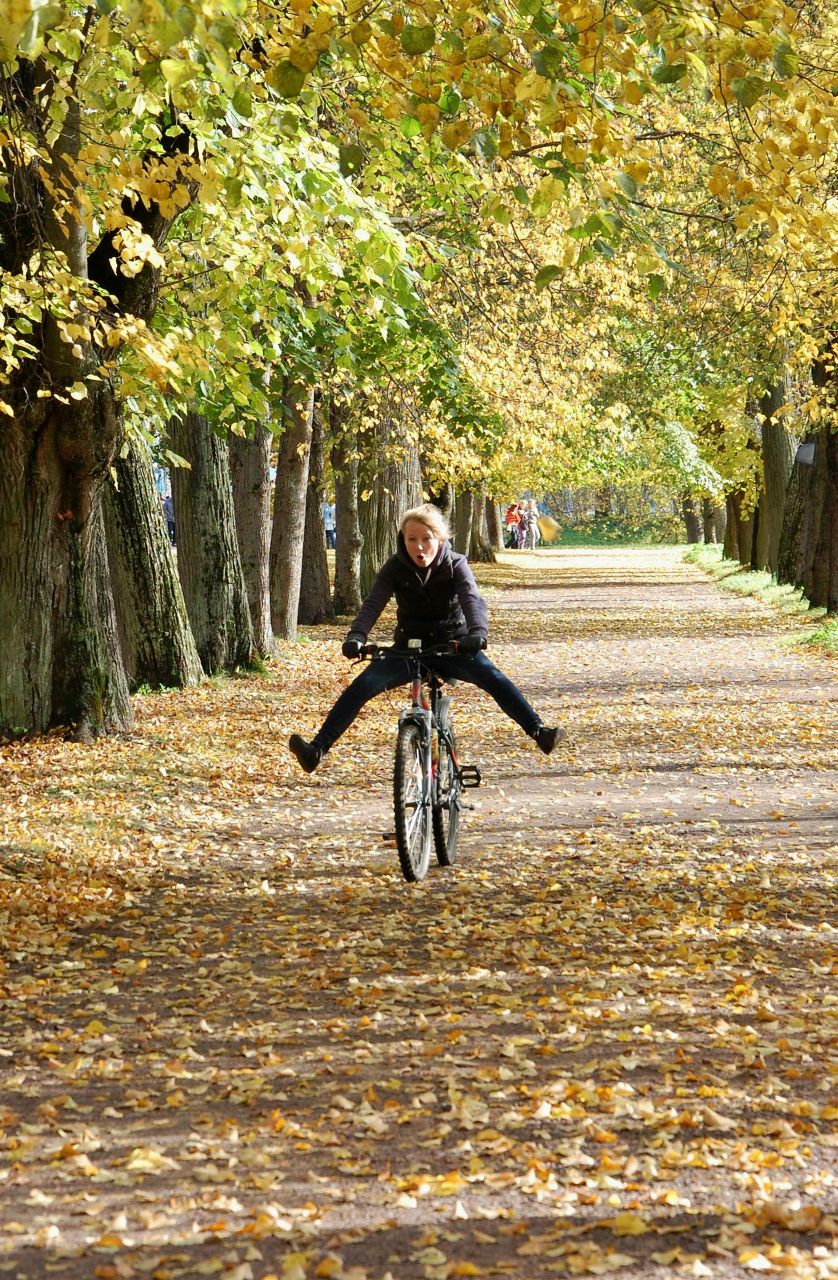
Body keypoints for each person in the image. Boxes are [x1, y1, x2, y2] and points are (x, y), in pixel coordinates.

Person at [288, 503, 565, 773]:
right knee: (362, 686)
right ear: (403, 539)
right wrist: (356, 636)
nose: (418, 547)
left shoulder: (456, 565)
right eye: (411, 539)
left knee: (493, 677)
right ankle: (316, 750)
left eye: (426, 539)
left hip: (453, 646)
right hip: (408, 649)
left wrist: (477, 634)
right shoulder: (395, 567)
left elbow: (472, 600)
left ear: (440, 538)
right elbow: (373, 604)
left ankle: (538, 731)